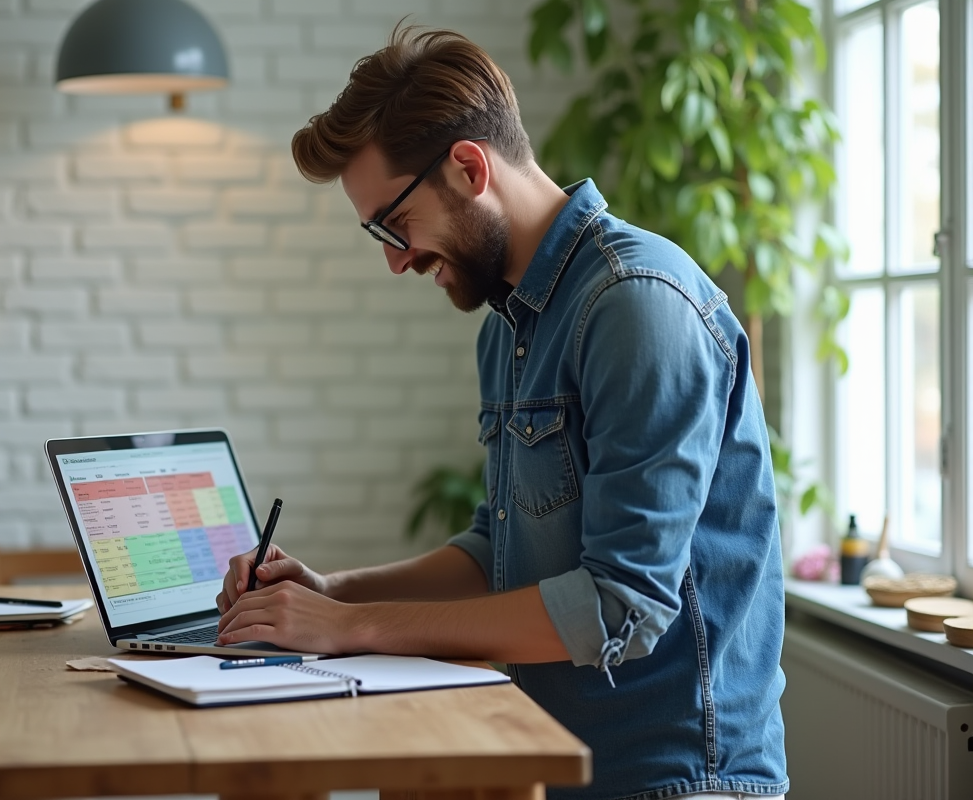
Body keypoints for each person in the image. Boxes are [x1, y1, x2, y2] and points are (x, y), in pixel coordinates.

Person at [214, 25, 788, 800]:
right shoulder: (510, 328)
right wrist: (332, 590)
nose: (395, 259)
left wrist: (351, 628)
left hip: (673, 782)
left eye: (392, 224)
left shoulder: (636, 305)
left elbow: (618, 606)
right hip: (551, 759)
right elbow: (502, 551)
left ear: (469, 168)